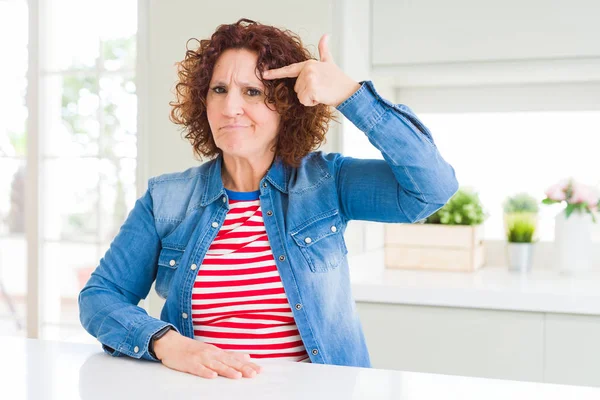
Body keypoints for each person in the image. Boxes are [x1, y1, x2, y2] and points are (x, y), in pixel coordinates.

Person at [79, 18, 458, 380]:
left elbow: (432, 187)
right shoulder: (167, 199)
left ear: (287, 106)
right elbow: (100, 296)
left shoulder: (327, 182)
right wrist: (166, 343)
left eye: (253, 92)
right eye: (219, 90)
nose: (231, 108)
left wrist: (348, 93)